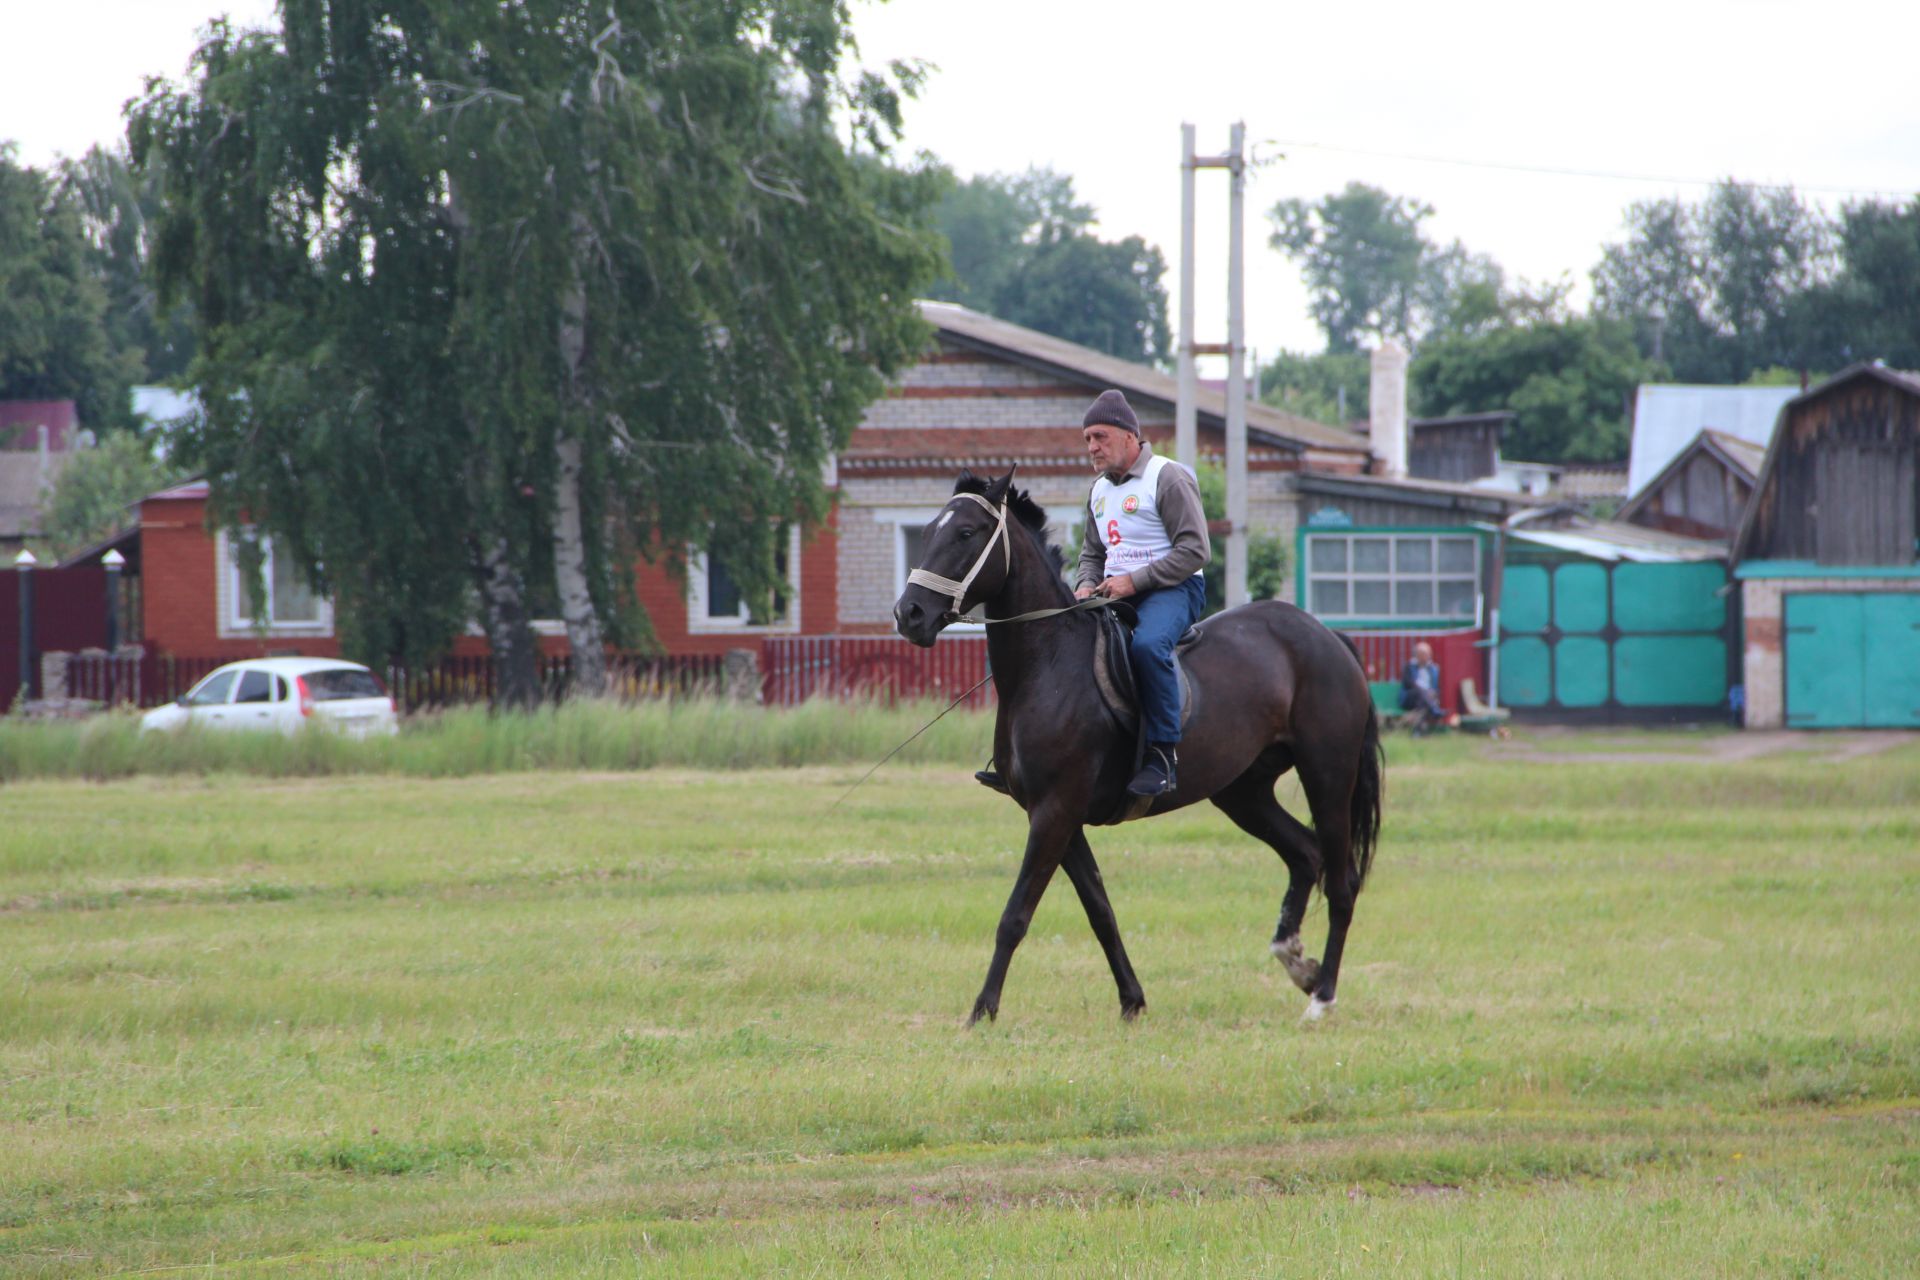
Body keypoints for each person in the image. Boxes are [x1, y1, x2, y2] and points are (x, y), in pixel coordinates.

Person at [1072, 389, 1211, 796]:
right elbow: (1091, 553)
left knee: (1148, 646)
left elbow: (1195, 550)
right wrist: (1083, 585)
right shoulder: (1098, 490)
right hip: (1113, 591)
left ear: (1130, 436)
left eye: (1100, 437)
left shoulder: (1167, 477)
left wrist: (1134, 582)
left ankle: (1163, 755)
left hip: (1175, 588)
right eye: (1087, 440)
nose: (1092, 447)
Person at [1399, 641, 1455, 733]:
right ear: (1417, 655)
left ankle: (1417, 731)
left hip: (1426, 698)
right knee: (1420, 692)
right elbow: (1407, 683)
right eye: (1423, 654)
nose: (1426, 657)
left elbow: (1436, 687)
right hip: (1410, 697)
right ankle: (1434, 709)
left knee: (1422, 703)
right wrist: (1421, 689)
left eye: (1427, 654)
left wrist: (1430, 692)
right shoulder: (1409, 666)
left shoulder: (1433, 668)